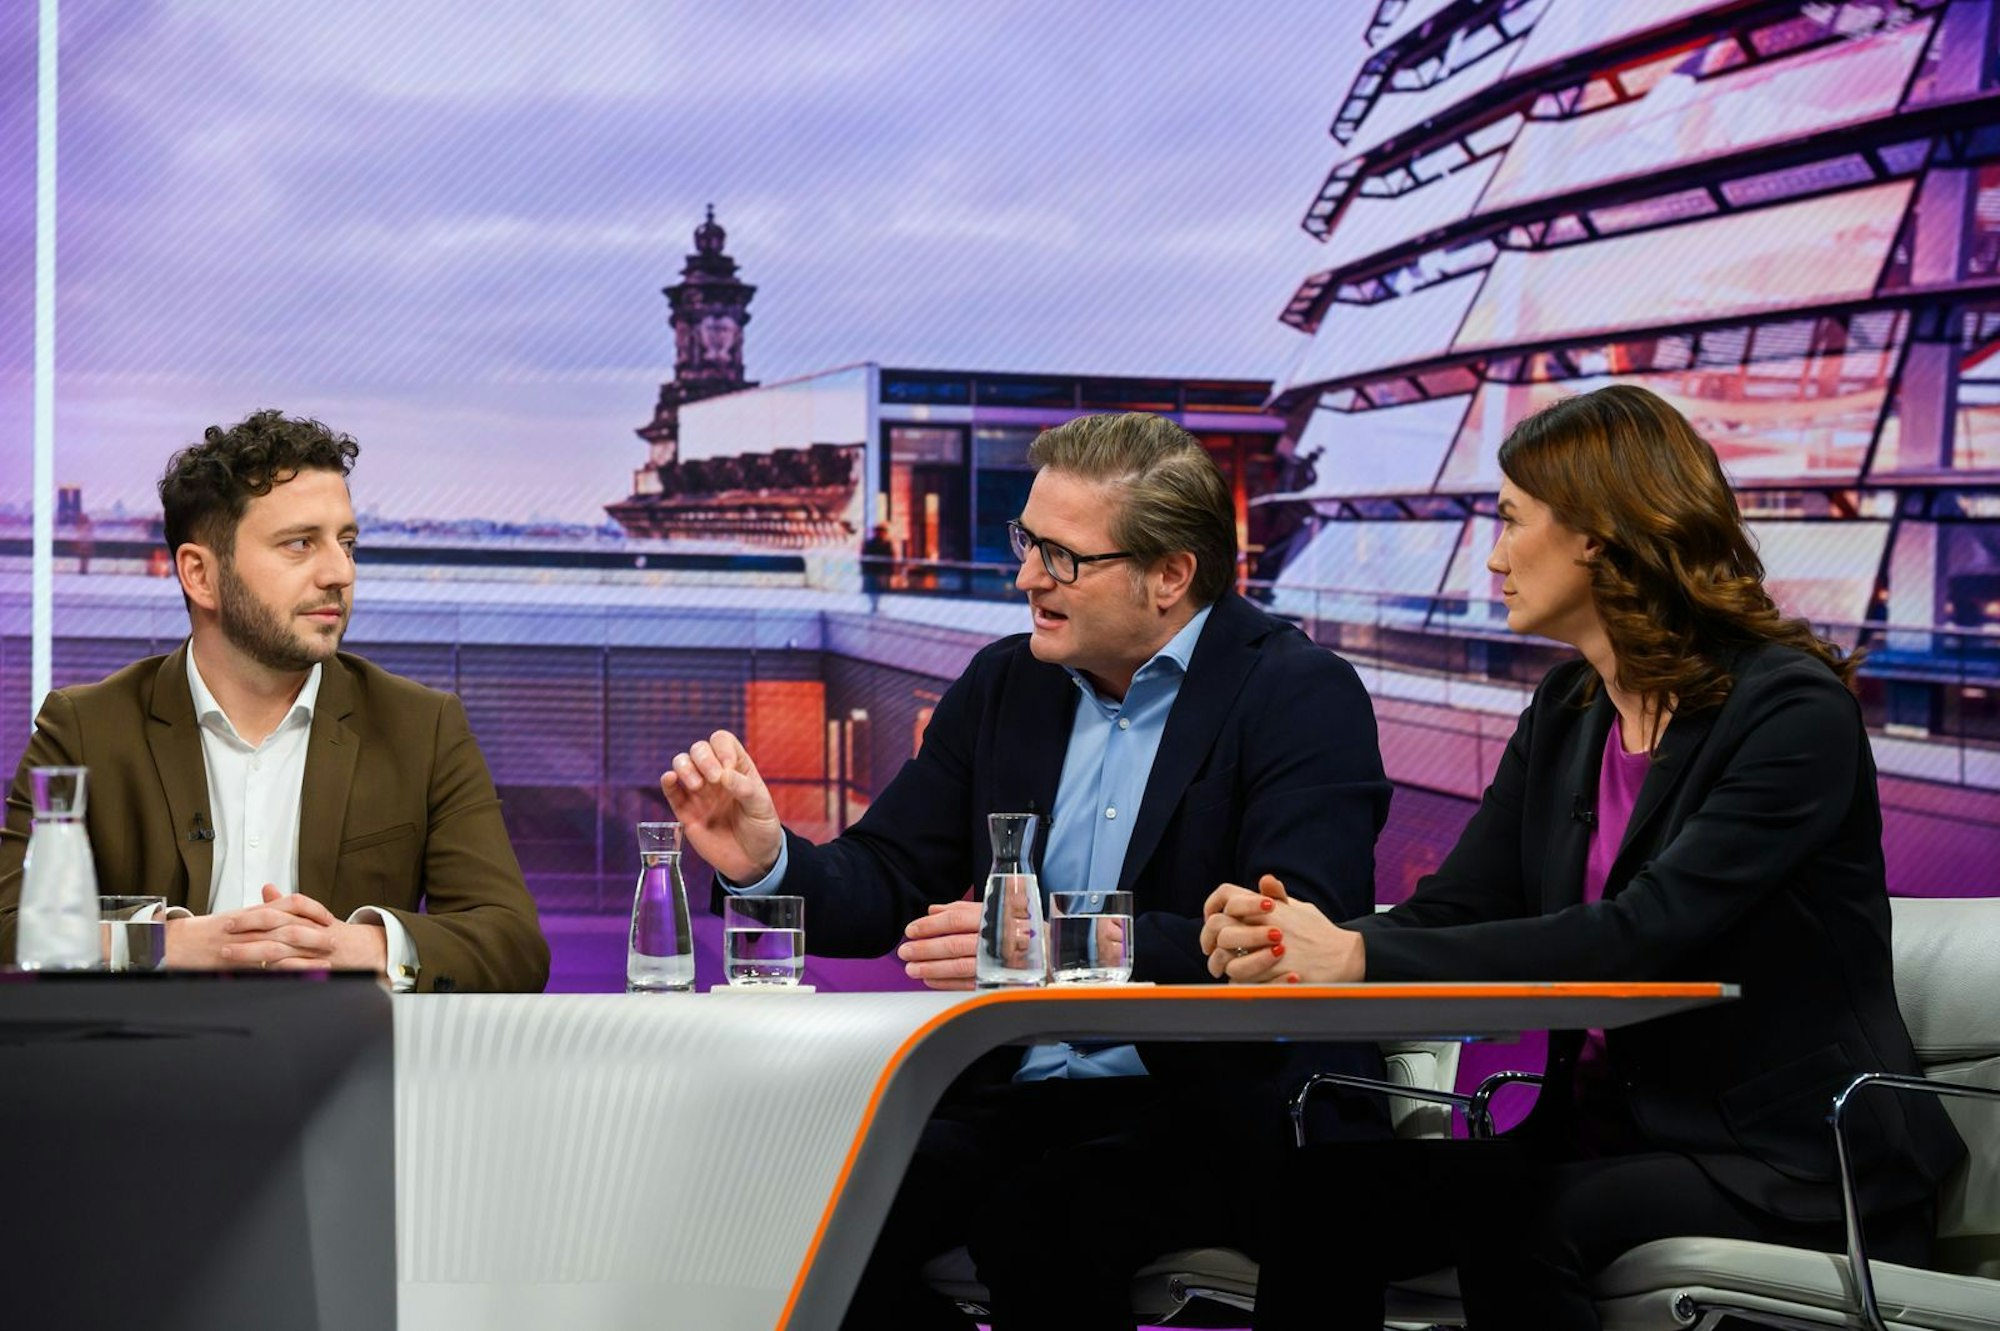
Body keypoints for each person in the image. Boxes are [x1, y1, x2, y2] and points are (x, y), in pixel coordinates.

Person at [1200, 384, 1965, 1329]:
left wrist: (1354, 957)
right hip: (1606, 1139)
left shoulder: (1791, 712)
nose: (1491, 552)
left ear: (1597, 535)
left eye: (1512, 520)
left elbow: (1642, 935)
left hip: (1795, 1163)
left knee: (1519, 1213)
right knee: (1324, 1195)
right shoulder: (1569, 710)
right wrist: (1295, 940)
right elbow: (1455, 908)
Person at [661, 411, 1391, 1329]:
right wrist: (768, 862)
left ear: (1171, 575)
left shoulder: (1298, 693)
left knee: (1043, 1219)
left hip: (1218, 1103)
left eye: (1063, 557)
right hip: (1021, 1098)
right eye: (1026, 543)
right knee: (789, 1218)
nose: (1026, 578)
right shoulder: (1007, 683)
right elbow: (886, 877)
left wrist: (1053, 951)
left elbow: (1285, 936)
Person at [0, 410, 549, 993]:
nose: (339, 572)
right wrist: (164, 945)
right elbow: (10, 928)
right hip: (148, 1075)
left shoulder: (422, 726)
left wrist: (360, 946)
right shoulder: (86, 727)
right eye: (299, 545)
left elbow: (511, 942)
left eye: (346, 543)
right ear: (199, 575)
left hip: (344, 1073)